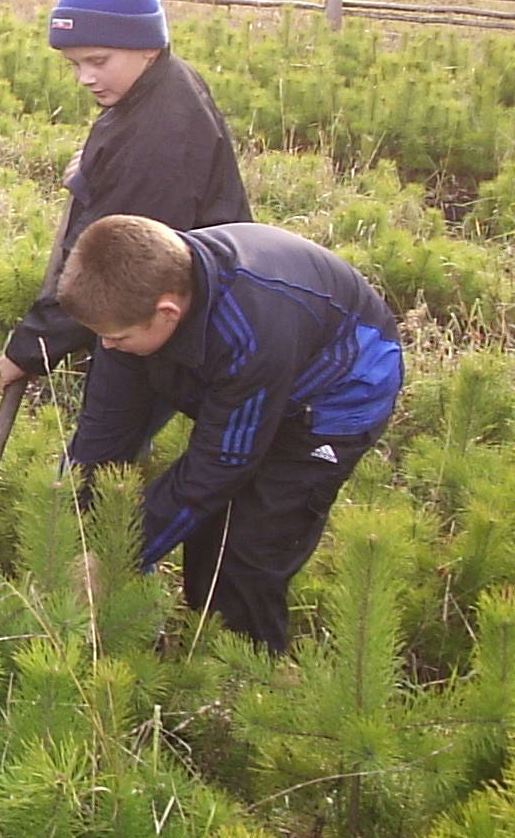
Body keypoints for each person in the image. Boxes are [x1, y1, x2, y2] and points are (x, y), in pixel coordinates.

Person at [58, 215, 403, 653]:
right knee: (198, 531)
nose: (106, 347)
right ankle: (186, 640)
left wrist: (114, 558)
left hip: (336, 394)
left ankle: (248, 681)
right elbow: (104, 433)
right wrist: (76, 532)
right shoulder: (130, 306)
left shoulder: (252, 330)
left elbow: (219, 466)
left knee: (243, 553)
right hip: (253, 373)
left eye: (117, 338)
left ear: (168, 312)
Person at [0, 0, 249, 403]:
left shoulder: (158, 135)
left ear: (146, 47)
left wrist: (29, 349)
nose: (85, 79)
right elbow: (119, 166)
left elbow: (112, 269)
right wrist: (93, 167)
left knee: (108, 435)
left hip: (169, 316)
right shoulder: (154, 88)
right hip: (164, 303)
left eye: (98, 61)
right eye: (75, 64)